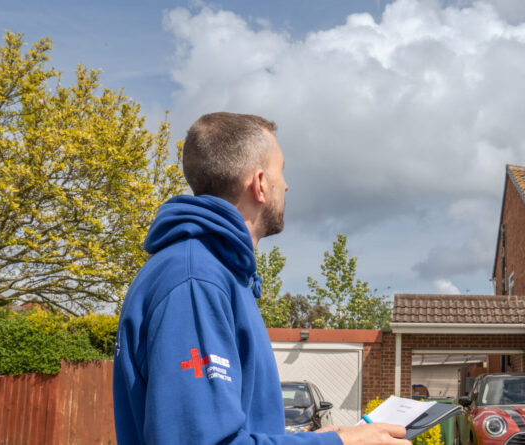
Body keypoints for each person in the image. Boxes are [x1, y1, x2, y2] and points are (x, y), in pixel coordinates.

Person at [113, 112, 409, 445]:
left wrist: (330, 436)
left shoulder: (218, 273)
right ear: (259, 184)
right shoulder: (195, 281)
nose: (286, 184)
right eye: (280, 171)